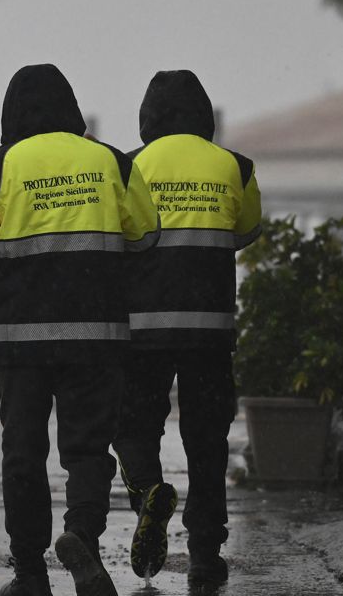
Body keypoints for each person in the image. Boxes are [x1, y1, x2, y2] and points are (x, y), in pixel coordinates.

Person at [0, 63, 160, 596]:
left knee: (23, 452)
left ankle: (31, 572)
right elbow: (147, 235)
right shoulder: (111, 161)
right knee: (87, 450)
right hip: (98, 336)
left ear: (11, 114)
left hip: (23, 343)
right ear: (71, 109)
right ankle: (81, 534)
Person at [112, 70, 261, 592]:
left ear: (148, 117)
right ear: (205, 116)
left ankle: (150, 493)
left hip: (143, 330)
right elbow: (245, 231)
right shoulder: (236, 167)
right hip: (210, 330)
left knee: (132, 426)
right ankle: (204, 555)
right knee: (206, 441)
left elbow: (121, 234)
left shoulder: (129, 166)